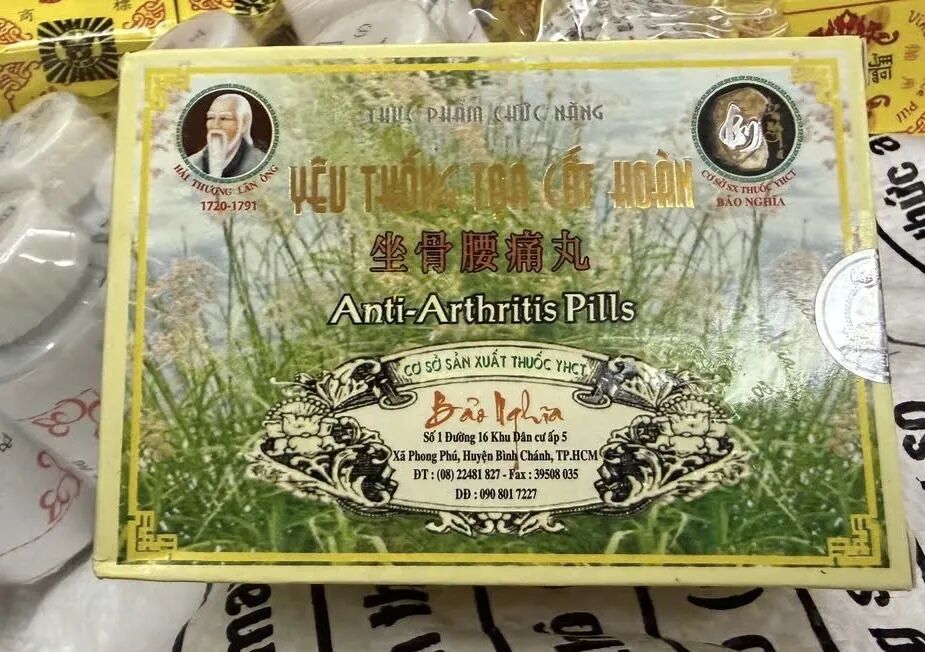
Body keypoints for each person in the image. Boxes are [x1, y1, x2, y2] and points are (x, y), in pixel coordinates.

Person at [190, 93, 267, 178]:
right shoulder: (192, 163)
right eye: (211, 117)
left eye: (224, 118)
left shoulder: (260, 164)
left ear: (244, 123)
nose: (215, 125)